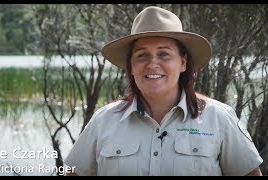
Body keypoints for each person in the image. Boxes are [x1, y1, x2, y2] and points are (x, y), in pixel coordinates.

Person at [64, 6, 263, 176]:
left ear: (183, 62)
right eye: (142, 55)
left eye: (164, 54)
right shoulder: (103, 121)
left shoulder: (219, 118)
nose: (153, 64)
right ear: (131, 66)